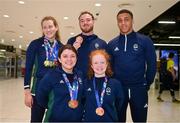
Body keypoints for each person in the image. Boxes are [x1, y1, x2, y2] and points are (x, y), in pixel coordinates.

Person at [107, 9, 157, 122]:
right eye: (120, 20)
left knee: (140, 120)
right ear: (117, 23)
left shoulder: (145, 41)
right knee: (118, 120)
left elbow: (152, 64)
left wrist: (147, 83)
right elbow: (109, 67)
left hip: (139, 89)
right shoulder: (111, 44)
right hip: (119, 89)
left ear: (132, 21)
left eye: (126, 19)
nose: (123, 23)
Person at [24, 16, 63, 122]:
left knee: (53, 119)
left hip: (55, 90)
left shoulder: (61, 47)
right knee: (36, 120)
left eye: (50, 26)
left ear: (56, 27)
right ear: (42, 29)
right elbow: (28, 68)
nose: (48, 29)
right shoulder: (35, 44)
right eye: (45, 27)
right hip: (38, 89)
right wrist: (27, 92)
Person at [36, 44, 84, 122]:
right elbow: (40, 96)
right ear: (59, 59)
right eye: (65, 56)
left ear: (76, 58)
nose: (69, 59)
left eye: (72, 56)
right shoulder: (51, 75)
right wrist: (54, 107)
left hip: (77, 120)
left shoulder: (80, 75)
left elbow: (83, 97)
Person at [83, 49, 124, 122]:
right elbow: (82, 103)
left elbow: (119, 105)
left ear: (107, 64)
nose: (99, 65)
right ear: (91, 66)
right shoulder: (85, 83)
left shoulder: (115, 84)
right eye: (96, 63)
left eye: (102, 62)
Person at [67, 11, 107, 77]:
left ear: (93, 21)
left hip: (95, 82)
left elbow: (106, 64)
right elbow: (65, 61)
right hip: (76, 81)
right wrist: (74, 49)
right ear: (79, 23)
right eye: (82, 21)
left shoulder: (102, 43)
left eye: (88, 20)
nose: (85, 23)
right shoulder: (72, 41)